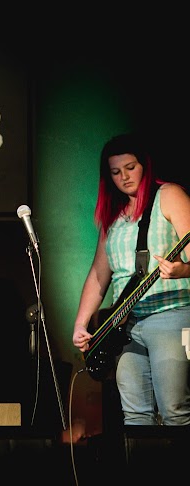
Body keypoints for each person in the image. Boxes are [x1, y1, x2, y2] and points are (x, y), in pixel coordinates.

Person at [72, 133, 190, 426]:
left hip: (171, 314)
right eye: (115, 172)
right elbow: (98, 276)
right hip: (126, 323)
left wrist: (182, 270)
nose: (124, 177)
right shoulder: (113, 215)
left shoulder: (169, 195)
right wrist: (80, 324)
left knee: (174, 409)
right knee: (134, 414)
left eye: (130, 168)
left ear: (144, 166)